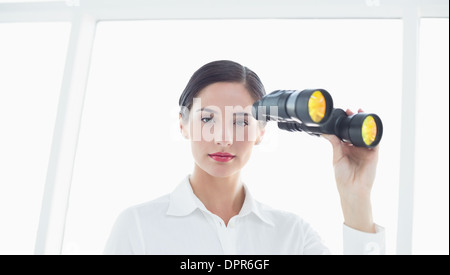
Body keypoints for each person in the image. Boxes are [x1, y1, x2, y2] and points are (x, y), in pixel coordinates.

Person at [104, 60, 385, 255]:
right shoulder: (139, 226)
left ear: (261, 130)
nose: (223, 137)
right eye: (207, 119)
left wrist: (356, 195)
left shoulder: (292, 235)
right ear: (182, 124)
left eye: (240, 121)